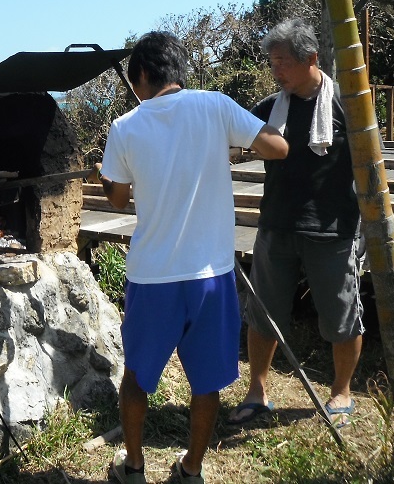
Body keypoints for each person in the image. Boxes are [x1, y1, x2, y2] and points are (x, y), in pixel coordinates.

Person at [94, 31, 288, 484]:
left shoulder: (125, 127)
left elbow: (119, 200)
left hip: (153, 276)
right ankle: (191, 469)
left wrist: (112, 180)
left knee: (137, 376)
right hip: (211, 275)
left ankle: (134, 467)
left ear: (141, 74)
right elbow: (278, 148)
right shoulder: (216, 106)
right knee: (207, 382)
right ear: (177, 70)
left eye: (134, 81)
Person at [229, 18, 363, 429]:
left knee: (340, 314)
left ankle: (341, 391)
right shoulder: (271, 108)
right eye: (272, 63)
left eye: (283, 62)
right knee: (263, 312)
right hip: (277, 226)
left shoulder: (346, 105)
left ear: (311, 59)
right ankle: (258, 390)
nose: (276, 71)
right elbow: (233, 138)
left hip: (332, 230)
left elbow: (371, 165)